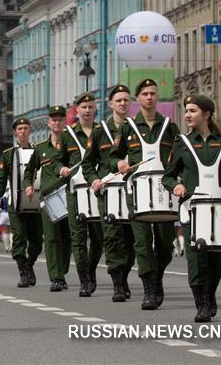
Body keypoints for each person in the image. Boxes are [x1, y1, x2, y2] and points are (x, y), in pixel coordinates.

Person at [163, 94, 221, 322]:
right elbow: (167, 178)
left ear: (207, 114)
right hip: (192, 209)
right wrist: (177, 186)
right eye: (186, 110)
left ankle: (210, 294)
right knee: (196, 259)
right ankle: (202, 304)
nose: (187, 115)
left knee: (216, 262)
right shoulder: (182, 143)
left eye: (193, 111)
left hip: (219, 209)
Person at [111, 79, 180, 310]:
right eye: (145, 94)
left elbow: (181, 157)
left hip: (165, 191)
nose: (149, 97)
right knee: (142, 242)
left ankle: (157, 274)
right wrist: (120, 162)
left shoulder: (169, 126)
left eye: (153, 93)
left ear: (157, 97)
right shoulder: (128, 127)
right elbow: (114, 156)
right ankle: (149, 289)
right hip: (138, 192)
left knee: (165, 243)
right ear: (137, 99)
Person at [80, 85, 136, 302]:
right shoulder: (100, 131)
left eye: (126, 100)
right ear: (110, 104)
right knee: (112, 238)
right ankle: (118, 284)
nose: (123, 103)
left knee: (132, 240)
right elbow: (87, 164)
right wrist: (94, 179)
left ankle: (125, 274)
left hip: (132, 191)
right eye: (118, 100)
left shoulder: (135, 129)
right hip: (109, 193)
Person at [61, 92, 105, 297]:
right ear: (76, 110)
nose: (87, 110)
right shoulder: (67, 134)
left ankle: (91, 267)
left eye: (90, 106)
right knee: (78, 238)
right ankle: (84, 280)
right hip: (75, 191)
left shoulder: (102, 131)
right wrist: (61, 169)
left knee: (99, 237)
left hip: (98, 189)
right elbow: (57, 161)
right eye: (83, 107)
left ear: (95, 108)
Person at [24, 105, 72, 292]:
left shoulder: (71, 143)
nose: (57, 122)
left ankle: (63, 270)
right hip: (49, 198)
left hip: (68, 195)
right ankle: (56, 277)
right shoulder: (42, 148)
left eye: (60, 119)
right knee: (51, 238)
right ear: (49, 122)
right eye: (54, 119)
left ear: (65, 121)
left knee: (67, 238)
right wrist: (28, 185)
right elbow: (29, 170)